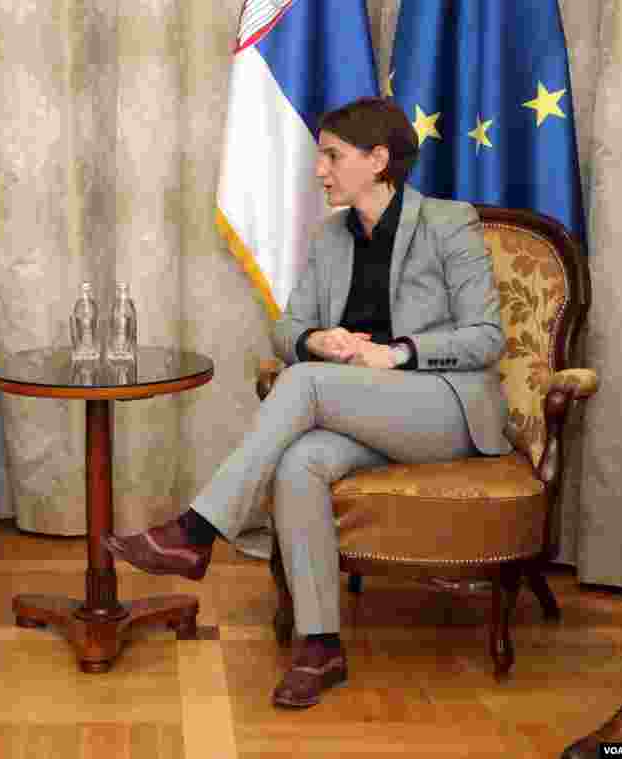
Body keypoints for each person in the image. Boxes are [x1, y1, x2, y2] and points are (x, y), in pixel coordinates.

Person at [105, 97, 511, 708]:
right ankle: (319, 647)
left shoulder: (449, 223)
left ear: (378, 160)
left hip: (444, 409)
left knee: (306, 383)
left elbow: (486, 338)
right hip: (360, 408)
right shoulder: (329, 238)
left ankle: (196, 529)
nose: (319, 170)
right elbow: (286, 328)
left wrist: (397, 352)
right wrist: (315, 338)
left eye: (332, 156)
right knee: (301, 465)